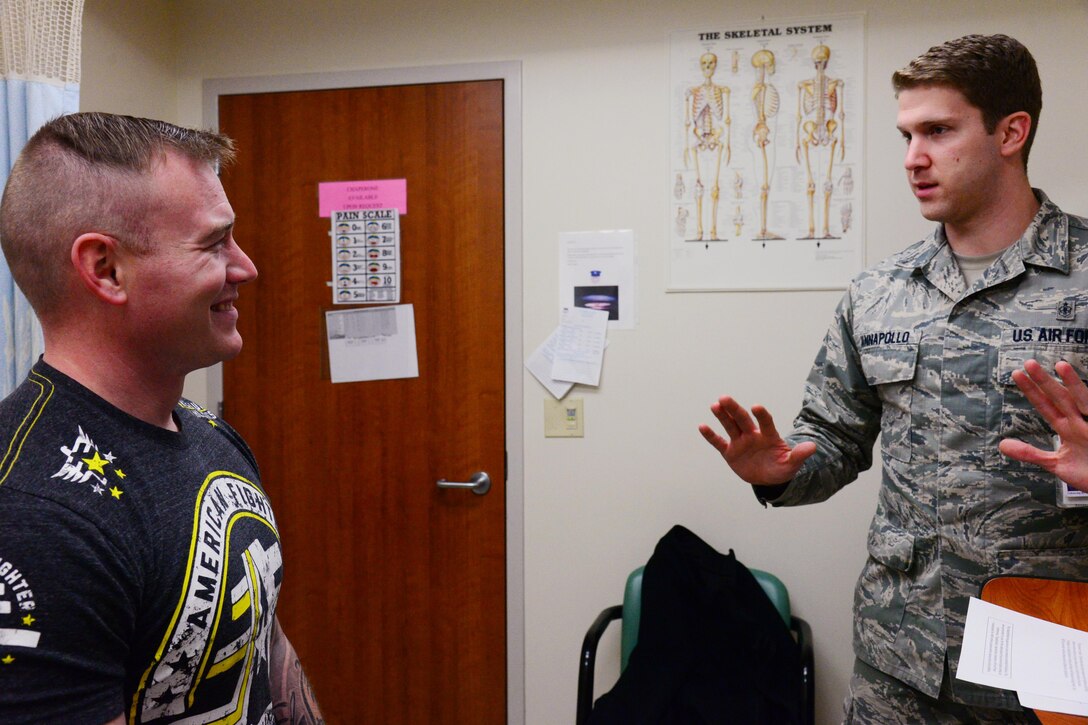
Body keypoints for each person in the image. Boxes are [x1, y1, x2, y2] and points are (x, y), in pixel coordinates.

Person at [700, 34, 1088, 723]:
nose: (913, 157)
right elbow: (833, 438)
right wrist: (779, 471)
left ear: (1011, 132)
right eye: (907, 134)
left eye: (938, 131)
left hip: (1051, 662)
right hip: (901, 660)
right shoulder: (880, 291)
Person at [0, 113, 324, 724]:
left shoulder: (205, 433)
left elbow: (261, 646)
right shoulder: (34, 513)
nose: (246, 267)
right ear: (105, 269)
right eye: (213, 243)